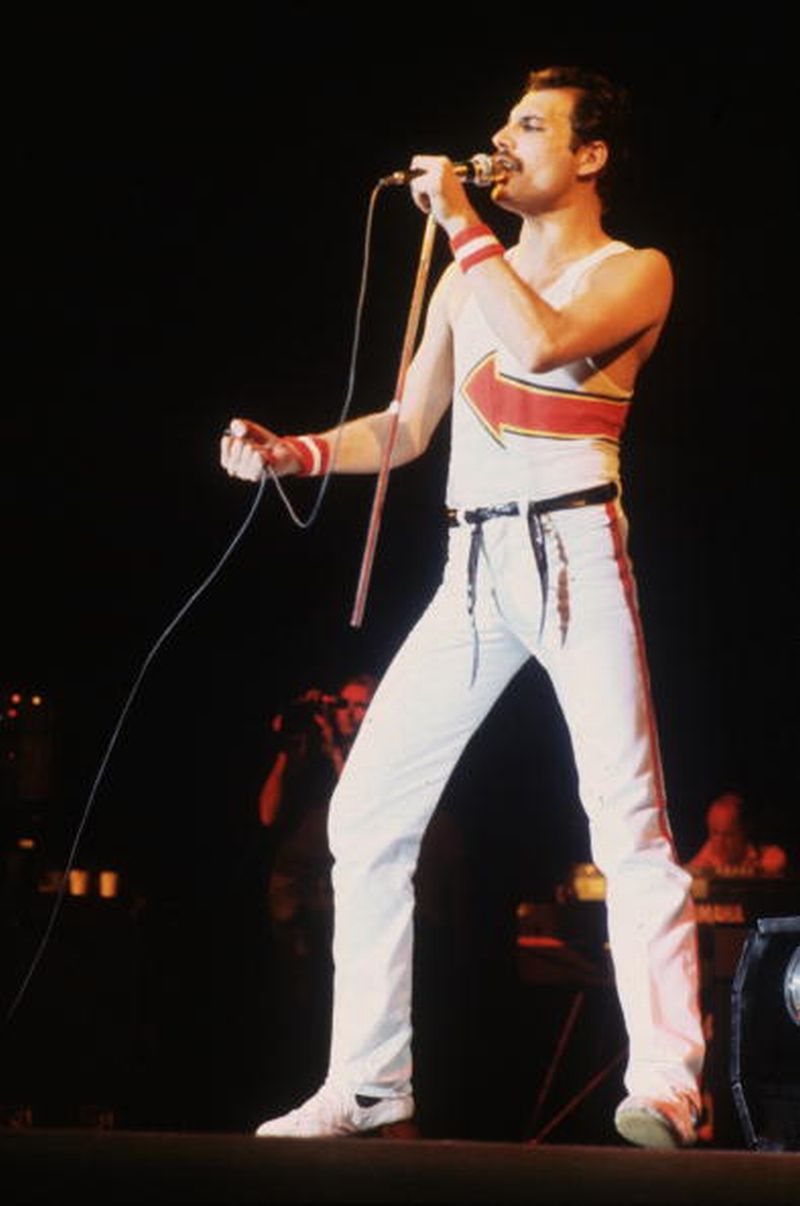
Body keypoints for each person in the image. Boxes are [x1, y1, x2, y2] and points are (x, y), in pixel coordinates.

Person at [221, 65, 705, 1148]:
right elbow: (405, 429)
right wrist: (294, 453)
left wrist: (459, 225)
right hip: (471, 567)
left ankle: (670, 1085)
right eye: (505, 121)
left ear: (589, 155)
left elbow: (540, 345)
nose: (503, 139)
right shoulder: (463, 278)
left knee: (626, 820)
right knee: (363, 815)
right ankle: (369, 1082)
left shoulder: (633, 271)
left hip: (573, 551)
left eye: (531, 124)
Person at [259, 677, 376, 1101]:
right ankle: (289, 1072)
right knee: (291, 981)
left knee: (331, 984)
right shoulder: (306, 754)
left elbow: (357, 808)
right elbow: (268, 814)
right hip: (292, 878)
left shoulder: (371, 753)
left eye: (359, 706)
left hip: (337, 881)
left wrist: (334, 751)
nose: (348, 713)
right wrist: (287, 751)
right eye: (342, 703)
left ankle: (328, 1076)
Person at [687, 791, 788, 878]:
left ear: (744, 831)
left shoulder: (760, 854)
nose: (720, 842)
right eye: (715, 833)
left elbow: (777, 858)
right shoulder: (701, 864)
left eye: (728, 835)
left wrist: (763, 868)